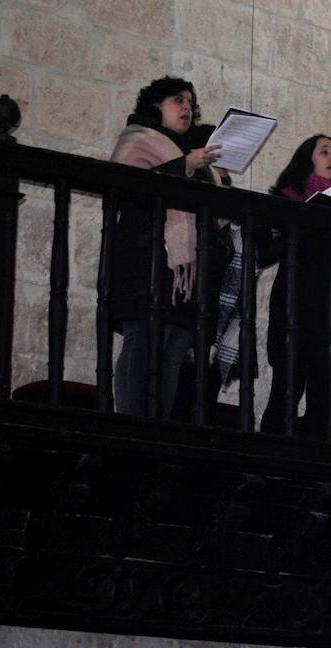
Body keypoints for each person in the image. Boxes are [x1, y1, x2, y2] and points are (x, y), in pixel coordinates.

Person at [107, 77, 222, 419]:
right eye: (178, 100)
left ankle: (158, 427)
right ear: (156, 105)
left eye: (190, 102)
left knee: (174, 350)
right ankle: (131, 424)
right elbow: (133, 188)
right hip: (146, 261)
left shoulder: (189, 156)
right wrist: (186, 165)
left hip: (183, 274)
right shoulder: (136, 139)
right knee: (141, 341)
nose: (187, 107)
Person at [260, 134, 331, 440]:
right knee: (285, 394)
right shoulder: (284, 200)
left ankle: (317, 475)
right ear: (307, 159)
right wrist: (300, 222)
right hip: (296, 308)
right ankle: (270, 465)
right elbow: (263, 254)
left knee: (325, 402)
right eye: (324, 151)